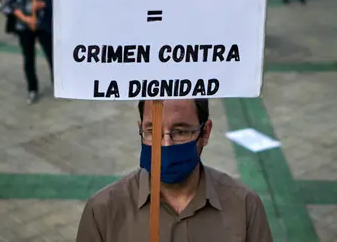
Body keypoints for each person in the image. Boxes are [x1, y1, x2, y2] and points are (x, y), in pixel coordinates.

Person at [75, 99, 273, 241]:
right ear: (140, 129)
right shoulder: (103, 211)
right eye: (152, 131)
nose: (165, 144)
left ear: (205, 132)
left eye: (180, 132)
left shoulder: (244, 206)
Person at [2, 0, 53, 104]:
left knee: (52, 55)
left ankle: (58, 82)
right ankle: (32, 88)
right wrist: (25, 18)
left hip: (43, 25)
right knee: (28, 58)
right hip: (24, 26)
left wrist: (42, 4)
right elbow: (9, 5)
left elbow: (57, 0)